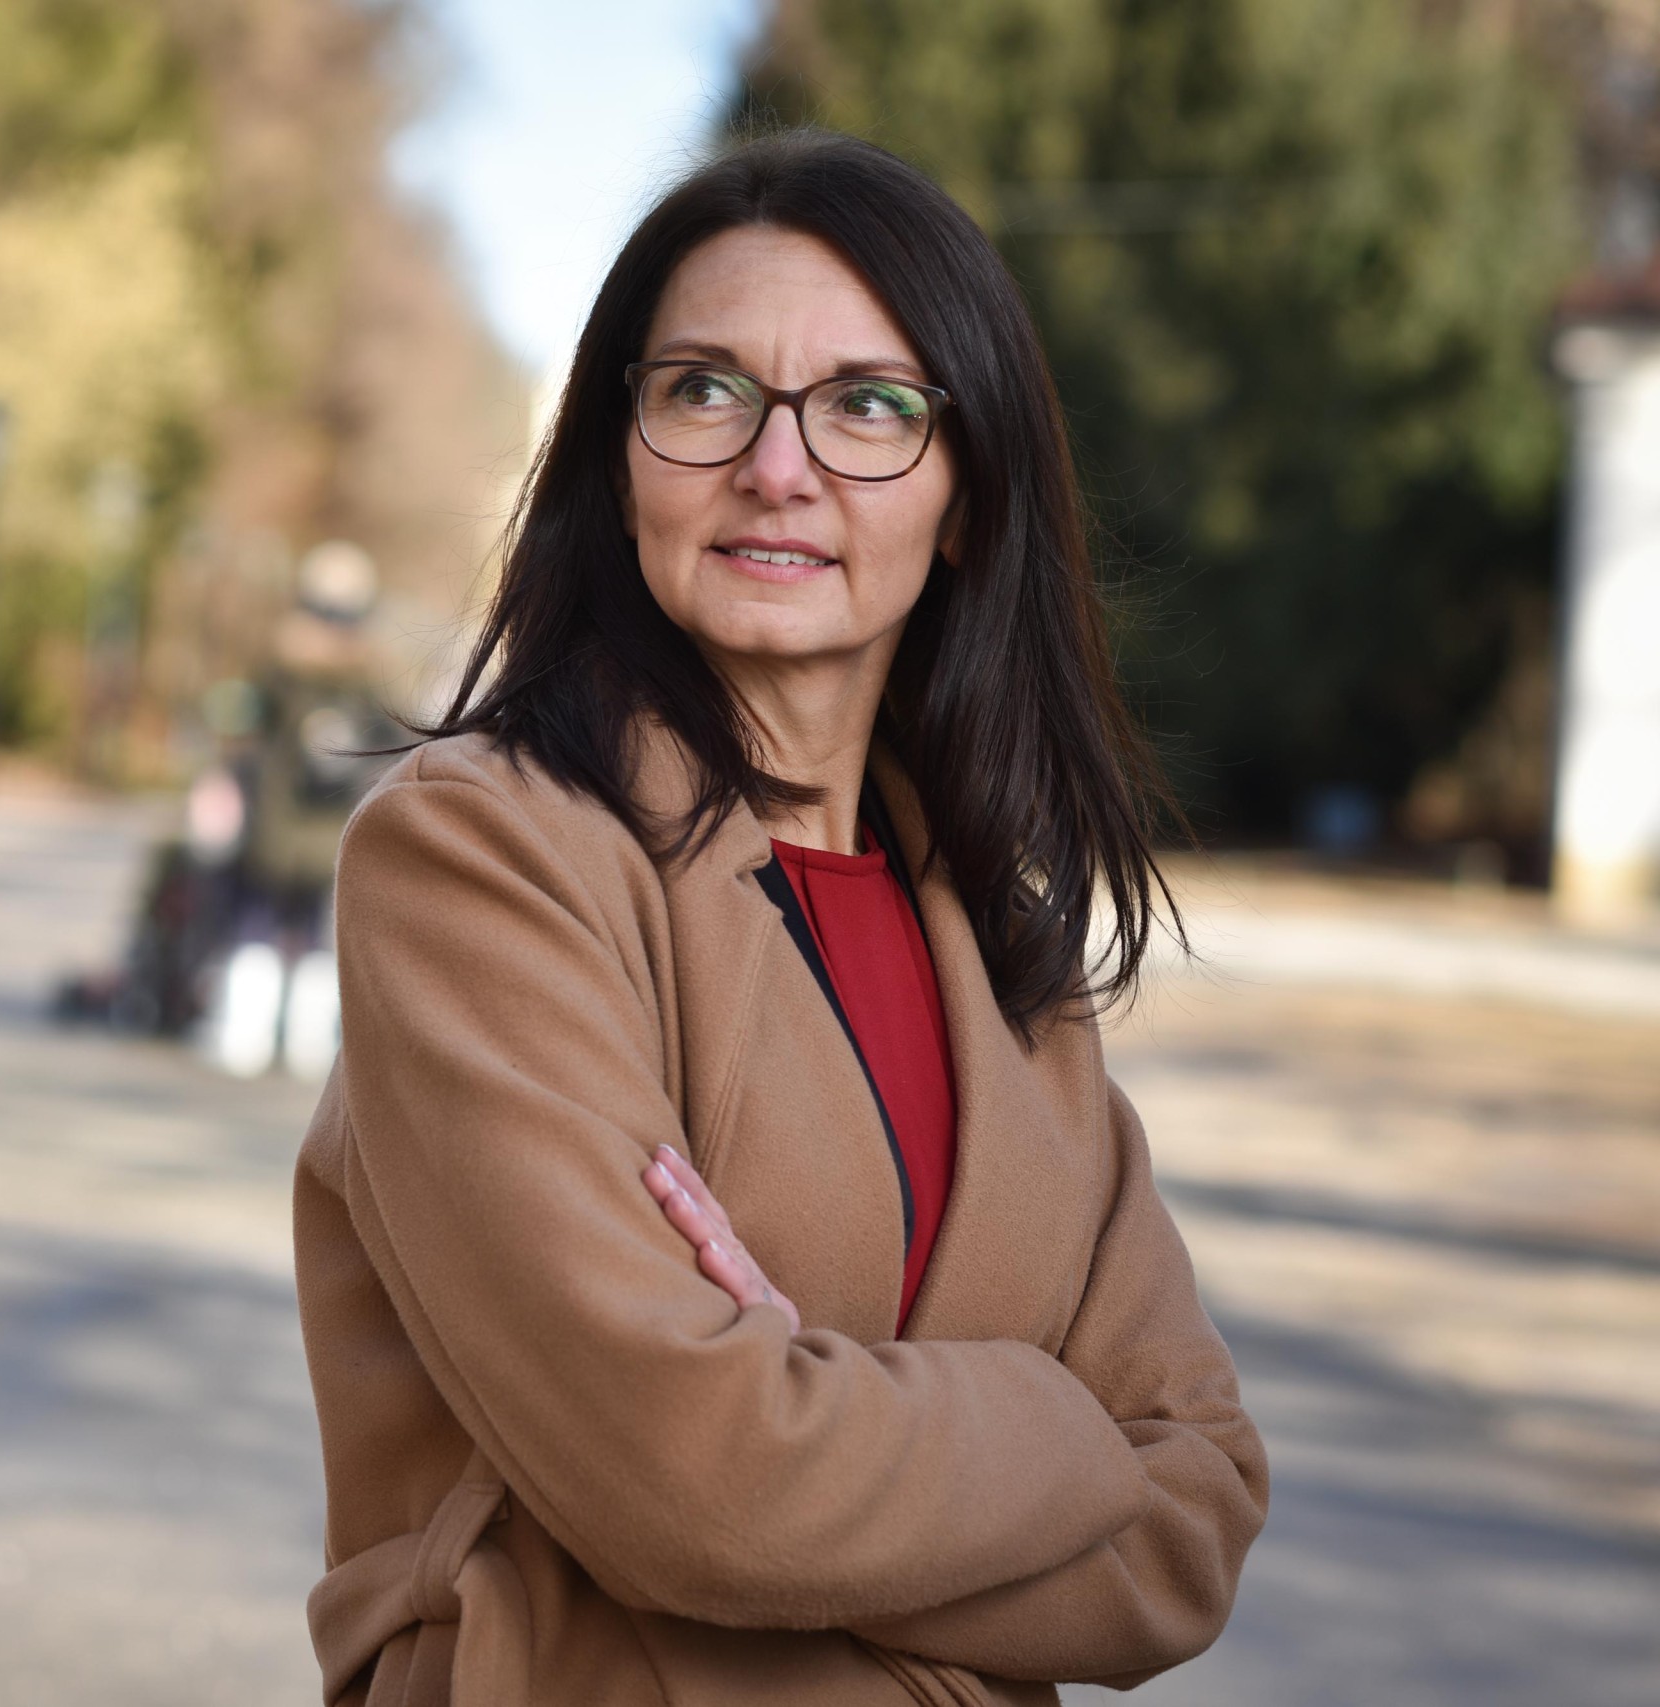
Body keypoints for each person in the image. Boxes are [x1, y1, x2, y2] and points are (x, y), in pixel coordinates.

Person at [292, 130, 1268, 1706]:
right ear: (620, 460)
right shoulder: (479, 860)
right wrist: (1060, 1423)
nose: (777, 465)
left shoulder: (1005, 954)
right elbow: (701, 1486)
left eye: (870, 407)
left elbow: (1203, 1517)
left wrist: (819, 1427)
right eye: (704, 390)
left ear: (965, 498)